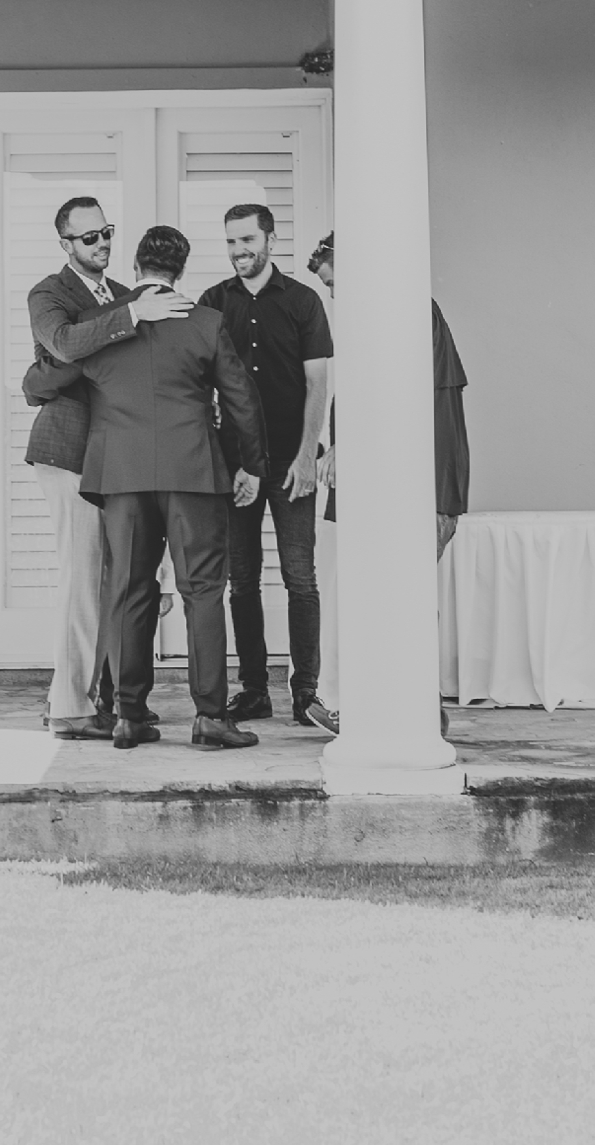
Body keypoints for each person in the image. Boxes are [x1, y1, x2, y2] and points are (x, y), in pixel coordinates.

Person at [77, 225, 270, 751]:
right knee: (202, 592)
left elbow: (62, 377)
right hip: (192, 473)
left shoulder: (99, 323)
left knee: (129, 591)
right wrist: (250, 465)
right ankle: (210, 718)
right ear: (181, 271)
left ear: (136, 268)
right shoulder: (206, 322)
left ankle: (128, 716)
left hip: (121, 474)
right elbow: (241, 400)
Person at [23, 196, 195, 741]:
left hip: (116, 455)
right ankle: (71, 706)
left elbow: (106, 367)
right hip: (68, 451)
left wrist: (44, 376)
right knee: (83, 580)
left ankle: (101, 699)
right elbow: (66, 343)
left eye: (107, 233)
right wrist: (126, 320)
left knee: (115, 581)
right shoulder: (51, 294)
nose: (102, 244)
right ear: (66, 244)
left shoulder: (124, 296)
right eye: (89, 237)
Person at [303, 232, 470, 739]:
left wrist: (446, 502)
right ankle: (358, 701)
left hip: (404, 486)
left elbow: (431, 405)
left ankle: (396, 705)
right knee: (347, 590)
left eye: (336, 284)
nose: (334, 297)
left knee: (390, 598)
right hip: (365, 486)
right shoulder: (370, 322)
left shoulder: (411, 313)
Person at [198, 193, 333, 728]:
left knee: (301, 578)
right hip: (236, 469)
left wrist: (305, 456)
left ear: (271, 241)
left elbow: (318, 383)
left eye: (248, 240)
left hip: (291, 463)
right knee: (243, 580)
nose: (239, 251)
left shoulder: (302, 301)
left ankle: (306, 694)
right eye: (231, 242)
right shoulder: (212, 301)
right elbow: (200, 381)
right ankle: (254, 690)